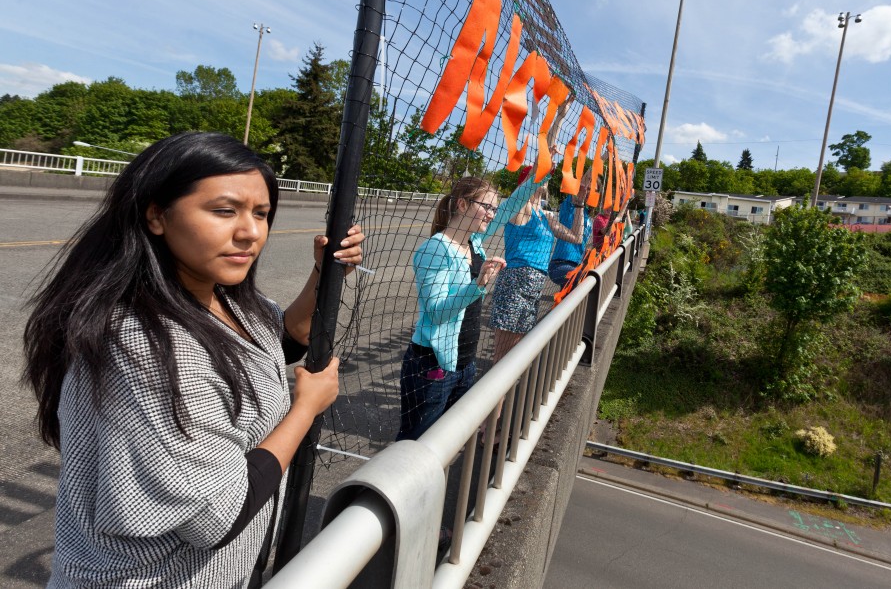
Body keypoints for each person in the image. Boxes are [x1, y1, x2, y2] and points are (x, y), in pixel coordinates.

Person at [22, 132, 365, 588]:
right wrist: (305, 409)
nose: (250, 232)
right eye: (224, 211)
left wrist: (324, 272)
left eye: (261, 214)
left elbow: (281, 341)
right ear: (157, 215)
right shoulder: (143, 343)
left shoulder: (225, 295)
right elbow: (218, 516)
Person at [396, 171, 540, 441]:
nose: (491, 214)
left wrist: (539, 174)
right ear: (462, 205)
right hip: (433, 366)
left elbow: (511, 206)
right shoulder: (436, 249)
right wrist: (478, 286)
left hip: (464, 365)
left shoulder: (474, 243)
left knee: (448, 442)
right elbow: (436, 311)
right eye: (486, 206)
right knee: (415, 445)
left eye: (493, 209)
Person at [489, 167, 584, 366]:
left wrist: (580, 205)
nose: (546, 179)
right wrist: (547, 149)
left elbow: (576, 237)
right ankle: (496, 397)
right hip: (514, 284)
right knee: (503, 358)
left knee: (516, 356)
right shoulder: (521, 209)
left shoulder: (545, 217)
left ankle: (505, 397)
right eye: (540, 176)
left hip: (533, 289)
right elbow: (537, 172)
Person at [548, 168, 595, 288]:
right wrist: (603, 157)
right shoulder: (570, 205)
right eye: (587, 188)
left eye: (591, 189)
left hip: (577, 264)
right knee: (585, 278)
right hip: (560, 264)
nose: (587, 191)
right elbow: (583, 183)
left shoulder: (587, 216)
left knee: (570, 299)